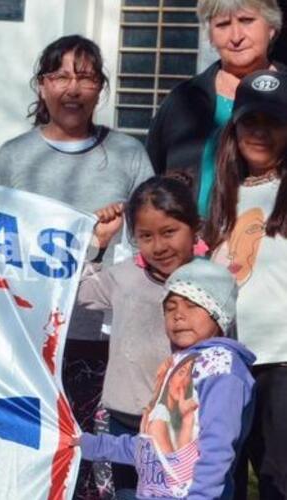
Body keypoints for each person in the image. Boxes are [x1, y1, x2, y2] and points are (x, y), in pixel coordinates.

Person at [0, 34, 154, 496]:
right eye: (60, 75)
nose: (72, 88)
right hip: (32, 341)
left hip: (106, 344)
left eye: (86, 76)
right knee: (31, 465)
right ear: (42, 86)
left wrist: (105, 243)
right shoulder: (13, 157)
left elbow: (151, 242)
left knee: (98, 470)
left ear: (102, 88)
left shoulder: (129, 155)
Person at [76, 258, 256, 499]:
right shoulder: (175, 365)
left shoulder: (221, 367)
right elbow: (155, 447)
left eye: (193, 304)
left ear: (219, 312)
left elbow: (217, 448)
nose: (178, 315)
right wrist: (88, 445)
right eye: (170, 307)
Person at [77, 175, 205, 498]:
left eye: (169, 232)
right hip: (126, 422)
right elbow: (73, 293)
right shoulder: (123, 278)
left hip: (186, 429)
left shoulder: (211, 280)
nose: (159, 246)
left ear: (195, 228)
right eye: (145, 236)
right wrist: (98, 244)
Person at [206, 69, 287, 500]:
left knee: (277, 476)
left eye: (273, 122)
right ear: (234, 129)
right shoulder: (223, 194)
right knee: (224, 475)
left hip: (281, 360)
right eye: (250, 122)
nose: (260, 133)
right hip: (228, 360)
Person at [146, 0, 284, 218]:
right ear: (209, 34)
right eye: (222, 25)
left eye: (247, 20)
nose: (236, 36)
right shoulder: (183, 101)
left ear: (272, 26)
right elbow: (151, 180)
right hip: (194, 248)